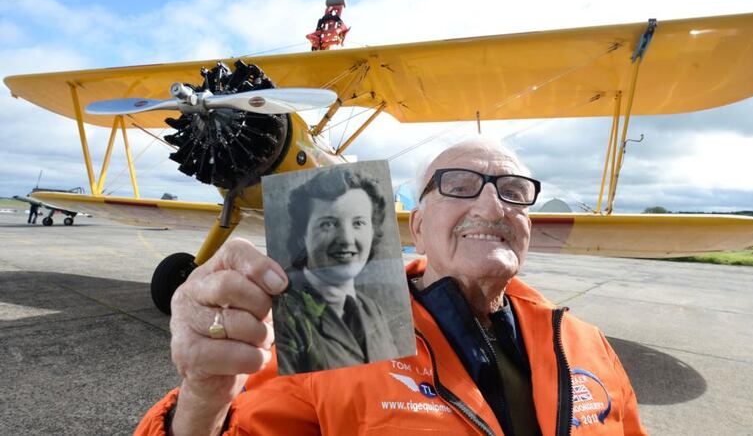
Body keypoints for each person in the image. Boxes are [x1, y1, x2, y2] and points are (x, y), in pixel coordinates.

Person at [137, 138, 647, 436]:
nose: (493, 207)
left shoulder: (589, 343)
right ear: (417, 226)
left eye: (514, 193)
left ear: (529, 227)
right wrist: (204, 398)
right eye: (459, 185)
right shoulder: (340, 330)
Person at [274, 168, 399, 374]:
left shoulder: (372, 310)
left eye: (358, 223)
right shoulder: (281, 316)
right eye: (328, 224)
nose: (346, 239)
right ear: (302, 236)